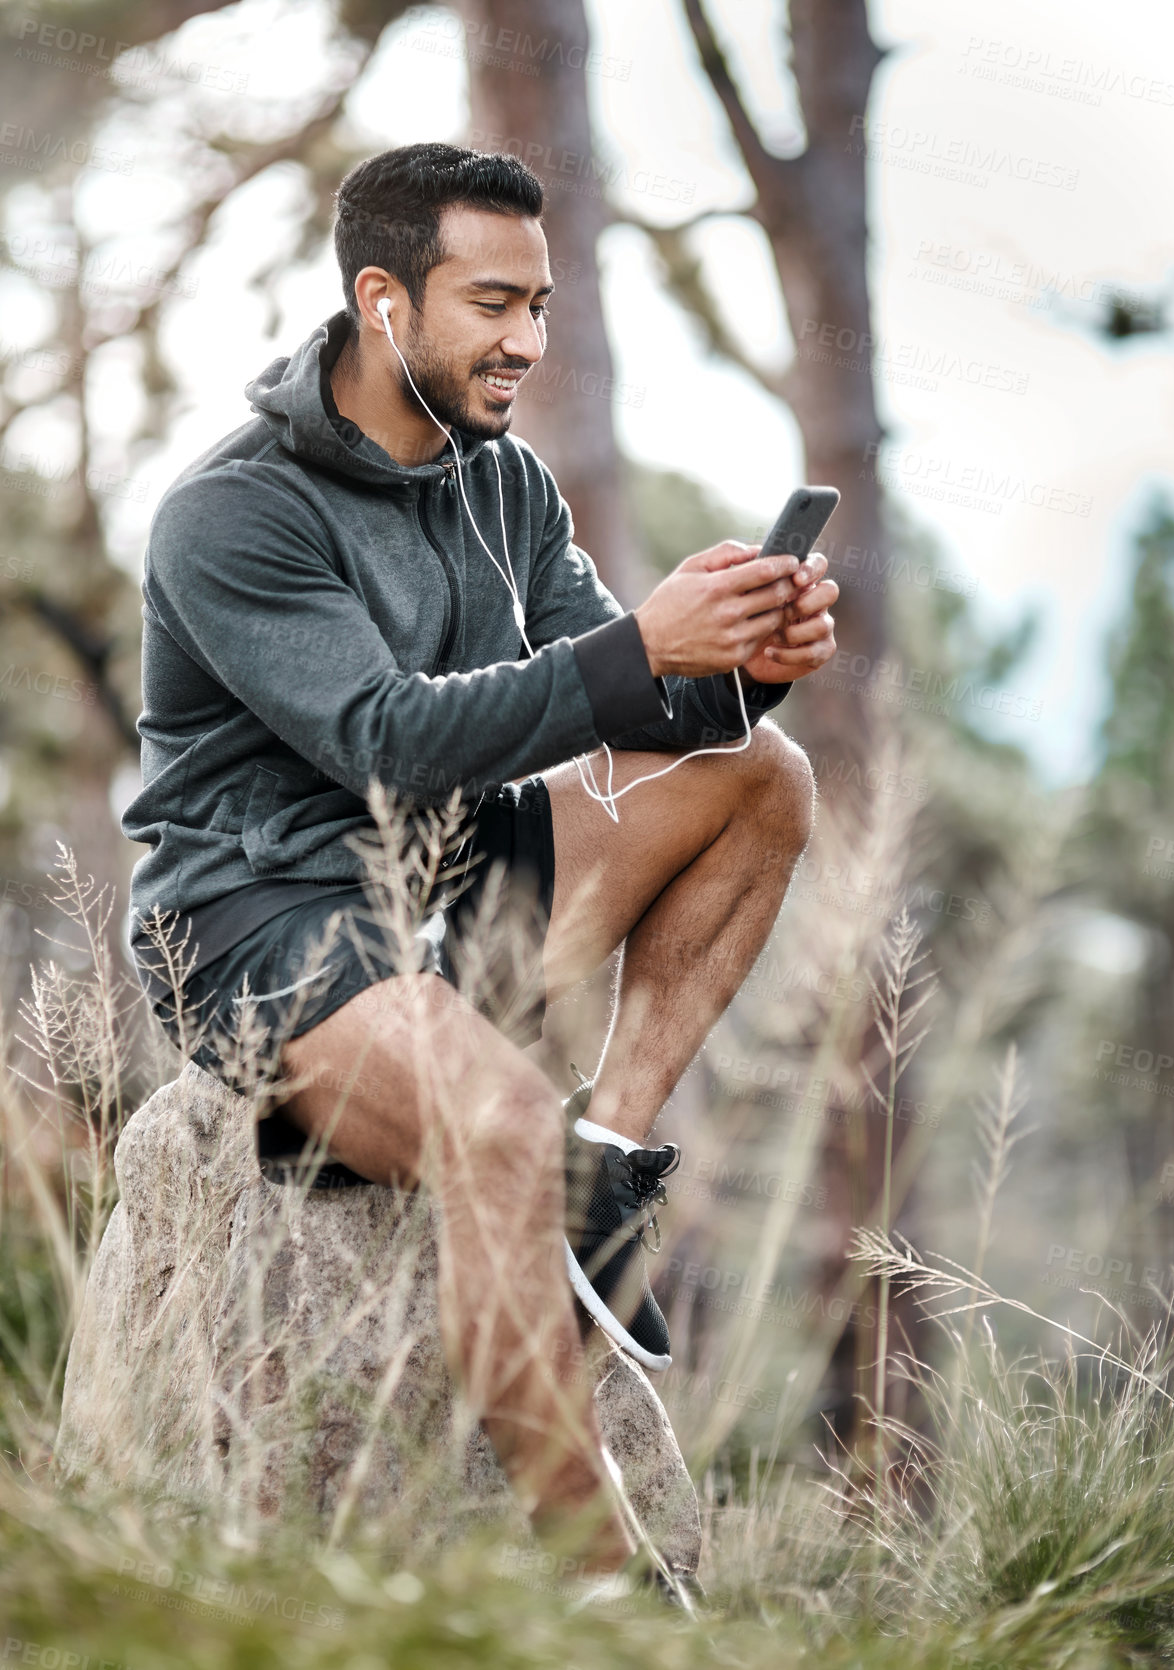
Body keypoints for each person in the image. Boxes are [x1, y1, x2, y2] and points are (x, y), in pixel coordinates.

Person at [121, 141, 837, 1577]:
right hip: (264, 918)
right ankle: (598, 1584)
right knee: (488, 1129)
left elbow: (627, 698)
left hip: (448, 880)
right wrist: (637, 647)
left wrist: (744, 665)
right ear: (383, 300)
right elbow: (383, 738)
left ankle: (603, 1159)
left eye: (544, 304)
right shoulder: (232, 511)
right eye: (494, 303)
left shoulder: (498, 484)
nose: (528, 340)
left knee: (762, 782)